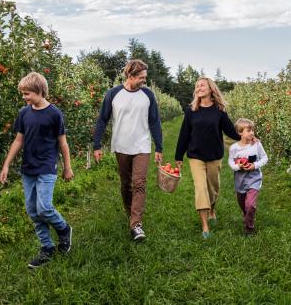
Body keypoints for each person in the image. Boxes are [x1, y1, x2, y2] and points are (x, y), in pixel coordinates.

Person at [0, 72, 74, 269]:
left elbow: (63, 143)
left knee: (44, 208)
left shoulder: (54, 114)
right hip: (28, 168)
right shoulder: (24, 113)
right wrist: (6, 164)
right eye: (23, 93)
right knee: (32, 210)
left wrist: (67, 167)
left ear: (40, 91)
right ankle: (46, 247)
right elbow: (18, 140)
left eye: (27, 93)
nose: (24, 97)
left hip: (47, 167)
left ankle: (63, 229)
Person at [93, 59, 163, 241]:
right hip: (121, 146)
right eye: (141, 77)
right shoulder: (113, 94)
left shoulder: (148, 95)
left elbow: (154, 121)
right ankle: (130, 213)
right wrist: (97, 145)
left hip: (142, 146)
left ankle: (136, 224)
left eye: (145, 77)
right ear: (131, 75)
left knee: (139, 183)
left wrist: (159, 147)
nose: (144, 81)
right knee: (126, 184)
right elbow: (102, 120)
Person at [175, 77, 240, 238]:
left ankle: (212, 209)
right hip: (195, 155)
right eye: (197, 86)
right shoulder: (191, 111)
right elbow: (184, 134)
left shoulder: (219, 110)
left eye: (202, 85)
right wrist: (179, 156)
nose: (199, 87)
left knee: (213, 188)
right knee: (200, 188)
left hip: (214, 155)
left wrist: (247, 137)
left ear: (211, 89)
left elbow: (230, 131)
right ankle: (205, 226)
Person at [228, 118, 268, 235]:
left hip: (254, 179)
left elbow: (265, 158)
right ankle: (247, 215)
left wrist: (254, 165)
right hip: (240, 181)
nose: (252, 133)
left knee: (250, 205)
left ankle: (249, 228)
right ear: (240, 132)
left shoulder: (256, 144)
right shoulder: (234, 148)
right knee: (243, 204)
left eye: (252, 130)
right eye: (248, 130)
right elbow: (230, 162)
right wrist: (238, 166)